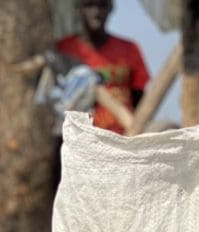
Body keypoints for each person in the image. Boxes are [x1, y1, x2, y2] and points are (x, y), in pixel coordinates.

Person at [55, 0, 149, 134]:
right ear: (79, 8)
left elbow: (139, 97)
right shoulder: (64, 49)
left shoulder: (129, 49)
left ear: (110, 8)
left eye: (102, 5)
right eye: (89, 5)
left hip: (123, 136)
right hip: (80, 139)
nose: (96, 12)